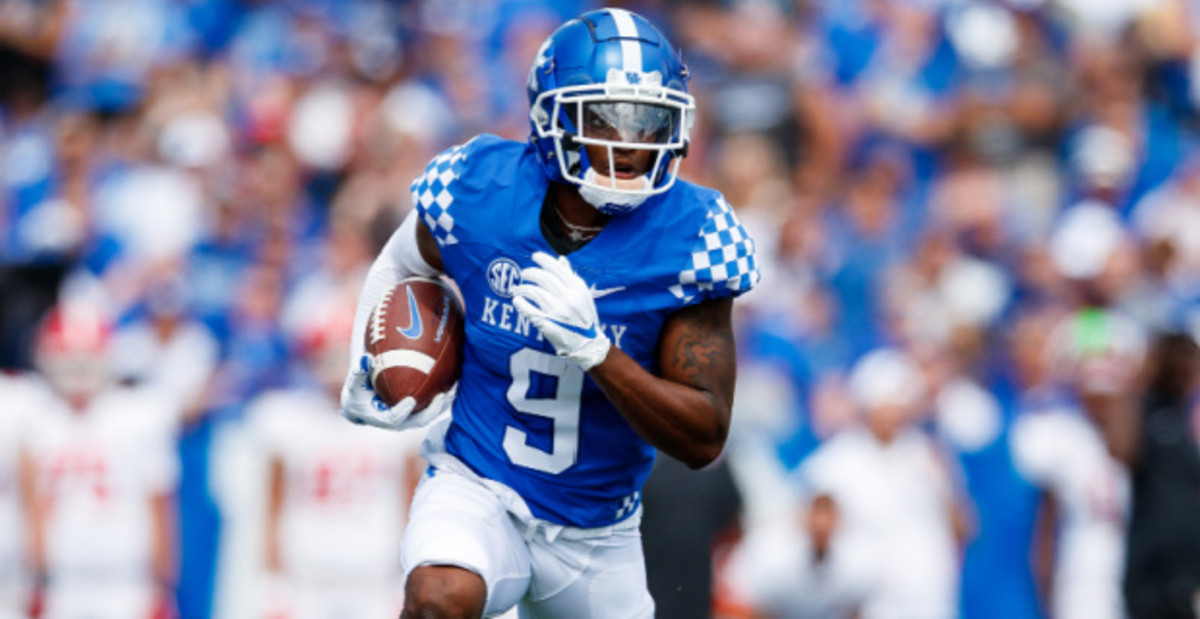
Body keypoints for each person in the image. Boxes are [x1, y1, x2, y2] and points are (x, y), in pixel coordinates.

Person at [340, 8, 759, 618]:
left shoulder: (694, 238)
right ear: (551, 115)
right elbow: (403, 260)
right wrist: (366, 357)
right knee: (439, 595)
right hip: (477, 484)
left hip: (597, 533)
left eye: (650, 123)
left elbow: (703, 436)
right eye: (609, 119)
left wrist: (595, 352)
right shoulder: (479, 188)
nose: (632, 144)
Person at [17, 301, 180, 618]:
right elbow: (32, 506)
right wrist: (37, 580)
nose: (78, 378)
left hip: (126, 580)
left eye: (87, 365)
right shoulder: (38, 419)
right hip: (62, 582)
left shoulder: (137, 416)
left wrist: (162, 585)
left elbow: (160, 505)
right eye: (68, 365)